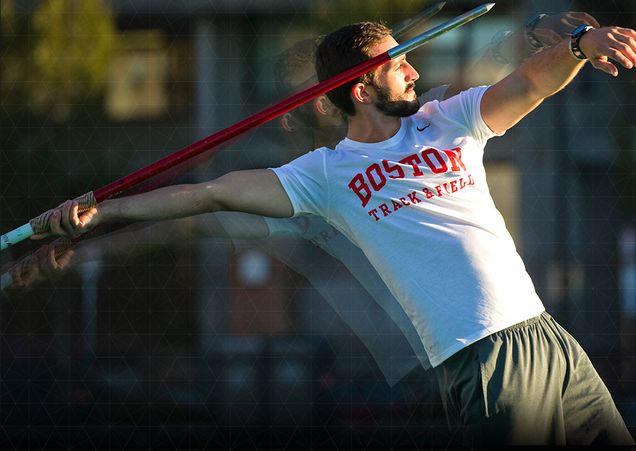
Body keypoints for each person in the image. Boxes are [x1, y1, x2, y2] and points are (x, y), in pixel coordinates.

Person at [15, 14, 636, 446]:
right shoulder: (324, 175)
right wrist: (106, 209)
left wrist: (580, 45)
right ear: (362, 88)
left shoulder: (450, 120)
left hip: (548, 338)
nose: (415, 72)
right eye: (398, 65)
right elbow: (208, 193)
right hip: (479, 357)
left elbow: (529, 80)